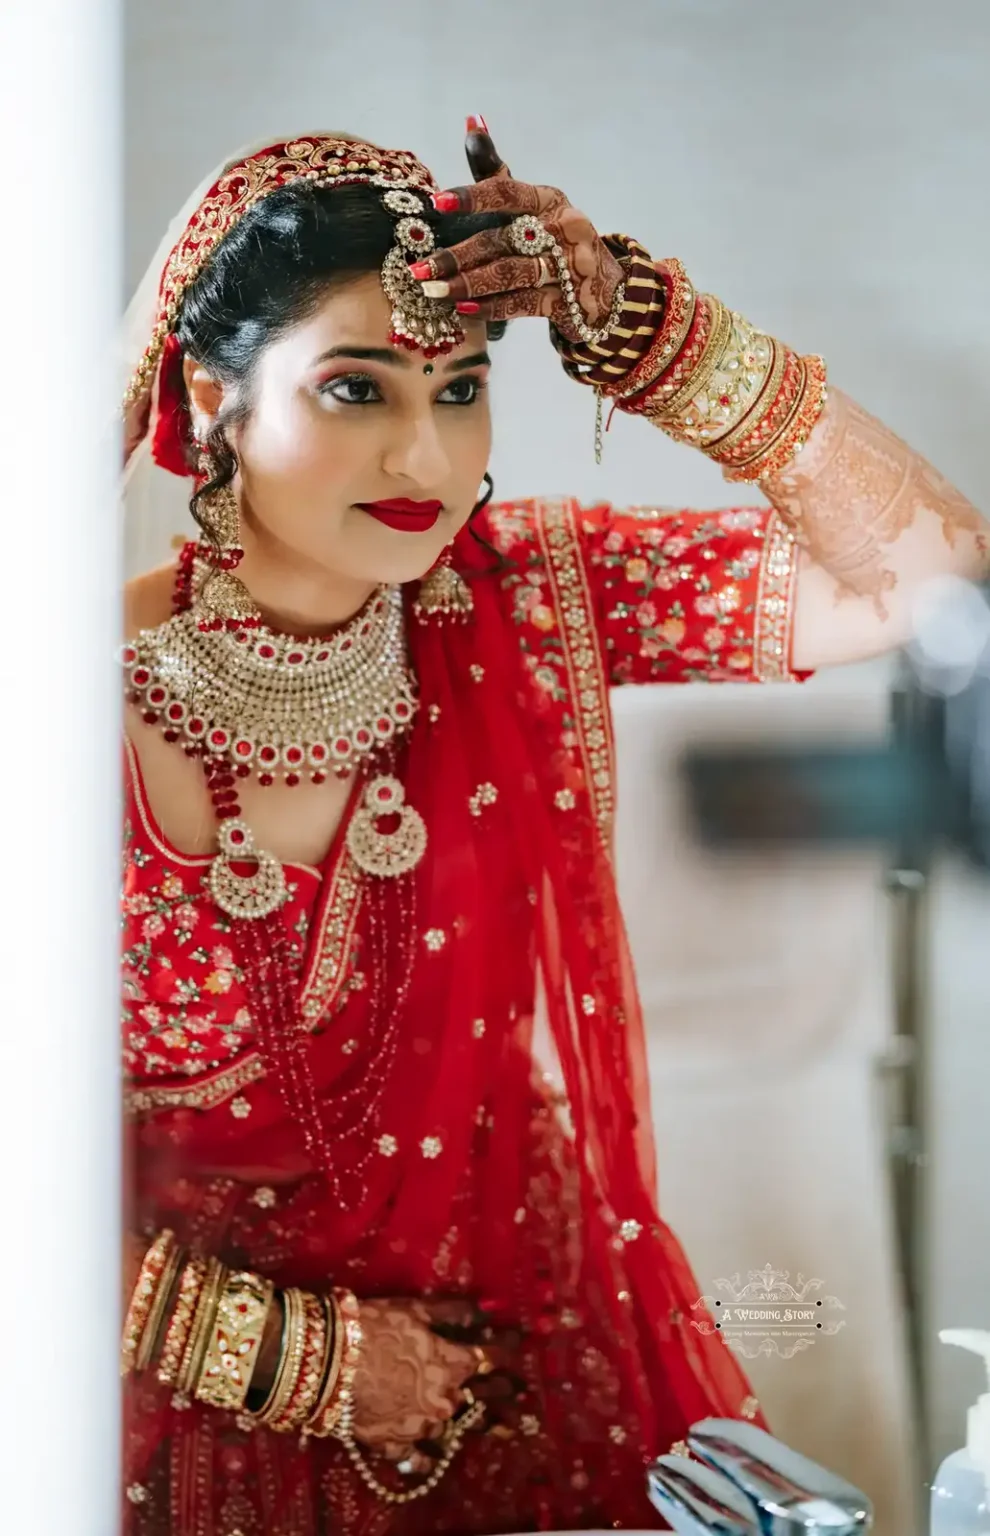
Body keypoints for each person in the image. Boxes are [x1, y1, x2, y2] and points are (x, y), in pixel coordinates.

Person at [119, 122, 986, 1535]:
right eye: (355, 386)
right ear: (210, 395)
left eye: (460, 388)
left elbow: (935, 583)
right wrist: (300, 1363)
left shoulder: (519, 588)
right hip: (164, 1434)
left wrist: (649, 329)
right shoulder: (50, 716)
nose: (425, 449)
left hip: (516, 1380)